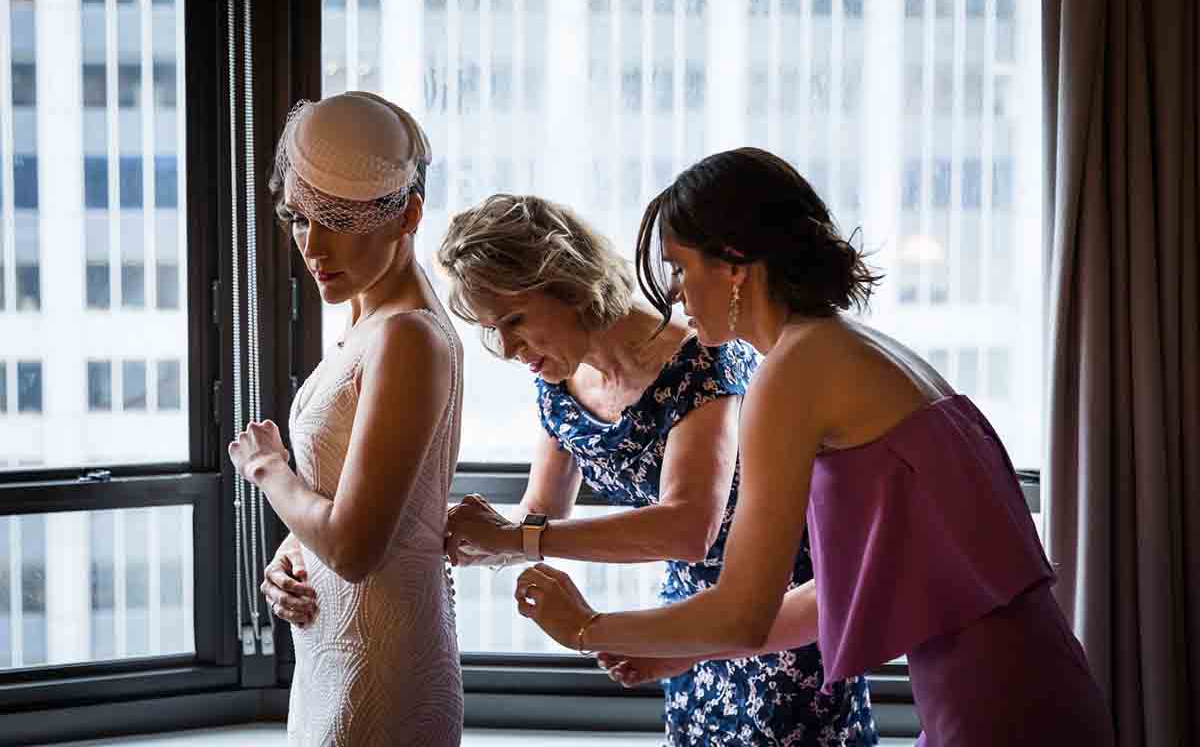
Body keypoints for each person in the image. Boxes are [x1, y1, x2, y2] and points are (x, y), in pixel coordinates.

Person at [511, 148, 1115, 747]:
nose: (675, 294)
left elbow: (744, 612)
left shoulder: (792, 371)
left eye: (680, 267)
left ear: (734, 264)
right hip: (1027, 683)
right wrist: (686, 652)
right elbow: (829, 594)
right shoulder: (842, 346)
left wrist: (586, 626)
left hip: (995, 706)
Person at [436, 193, 876, 746]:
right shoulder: (555, 375)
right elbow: (540, 514)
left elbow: (689, 528)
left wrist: (515, 541)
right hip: (686, 621)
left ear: (569, 283)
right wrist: (450, 537)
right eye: (488, 328)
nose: (504, 347)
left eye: (514, 320)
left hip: (776, 613)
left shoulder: (702, 359)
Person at [228, 92, 464, 746]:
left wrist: (269, 468)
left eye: (339, 220)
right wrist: (292, 555)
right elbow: (363, 502)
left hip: (379, 673)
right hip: (334, 652)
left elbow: (357, 550)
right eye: (300, 218)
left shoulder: (408, 337)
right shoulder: (371, 317)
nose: (313, 244)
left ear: (408, 214)